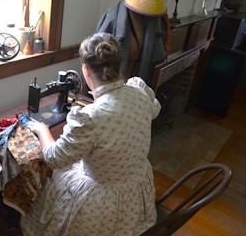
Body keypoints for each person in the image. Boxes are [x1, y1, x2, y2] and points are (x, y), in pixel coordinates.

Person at [19, 32, 161, 236]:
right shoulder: (139, 92)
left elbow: (54, 158)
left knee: (48, 183)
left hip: (100, 204)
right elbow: (154, 109)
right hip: (135, 189)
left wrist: (42, 129)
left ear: (85, 70)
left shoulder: (90, 118)